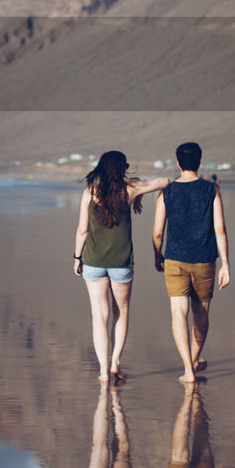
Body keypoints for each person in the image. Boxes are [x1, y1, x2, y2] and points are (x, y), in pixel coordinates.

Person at [74, 150, 169, 383]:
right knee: (121, 312)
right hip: (121, 263)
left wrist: (77, 258)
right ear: (122, 169)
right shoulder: (129, 190)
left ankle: (103, 372)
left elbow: (82, 230)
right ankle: (115, 363)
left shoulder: (89, 192)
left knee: (100, 316)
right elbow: (164, 181)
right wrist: (138, 192)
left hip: (94, 262)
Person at [152, 142, 230, 383]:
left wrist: (158, 255)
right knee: (202, 313)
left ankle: (188, 369)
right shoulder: (211, 189)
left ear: (177, 163)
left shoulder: (168, 190)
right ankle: (195, 359)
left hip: (175, 259)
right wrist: (226, 264)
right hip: (205, 259)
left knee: (178, 313)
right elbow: (220, 228)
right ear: (199, 162)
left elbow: (157, 231)